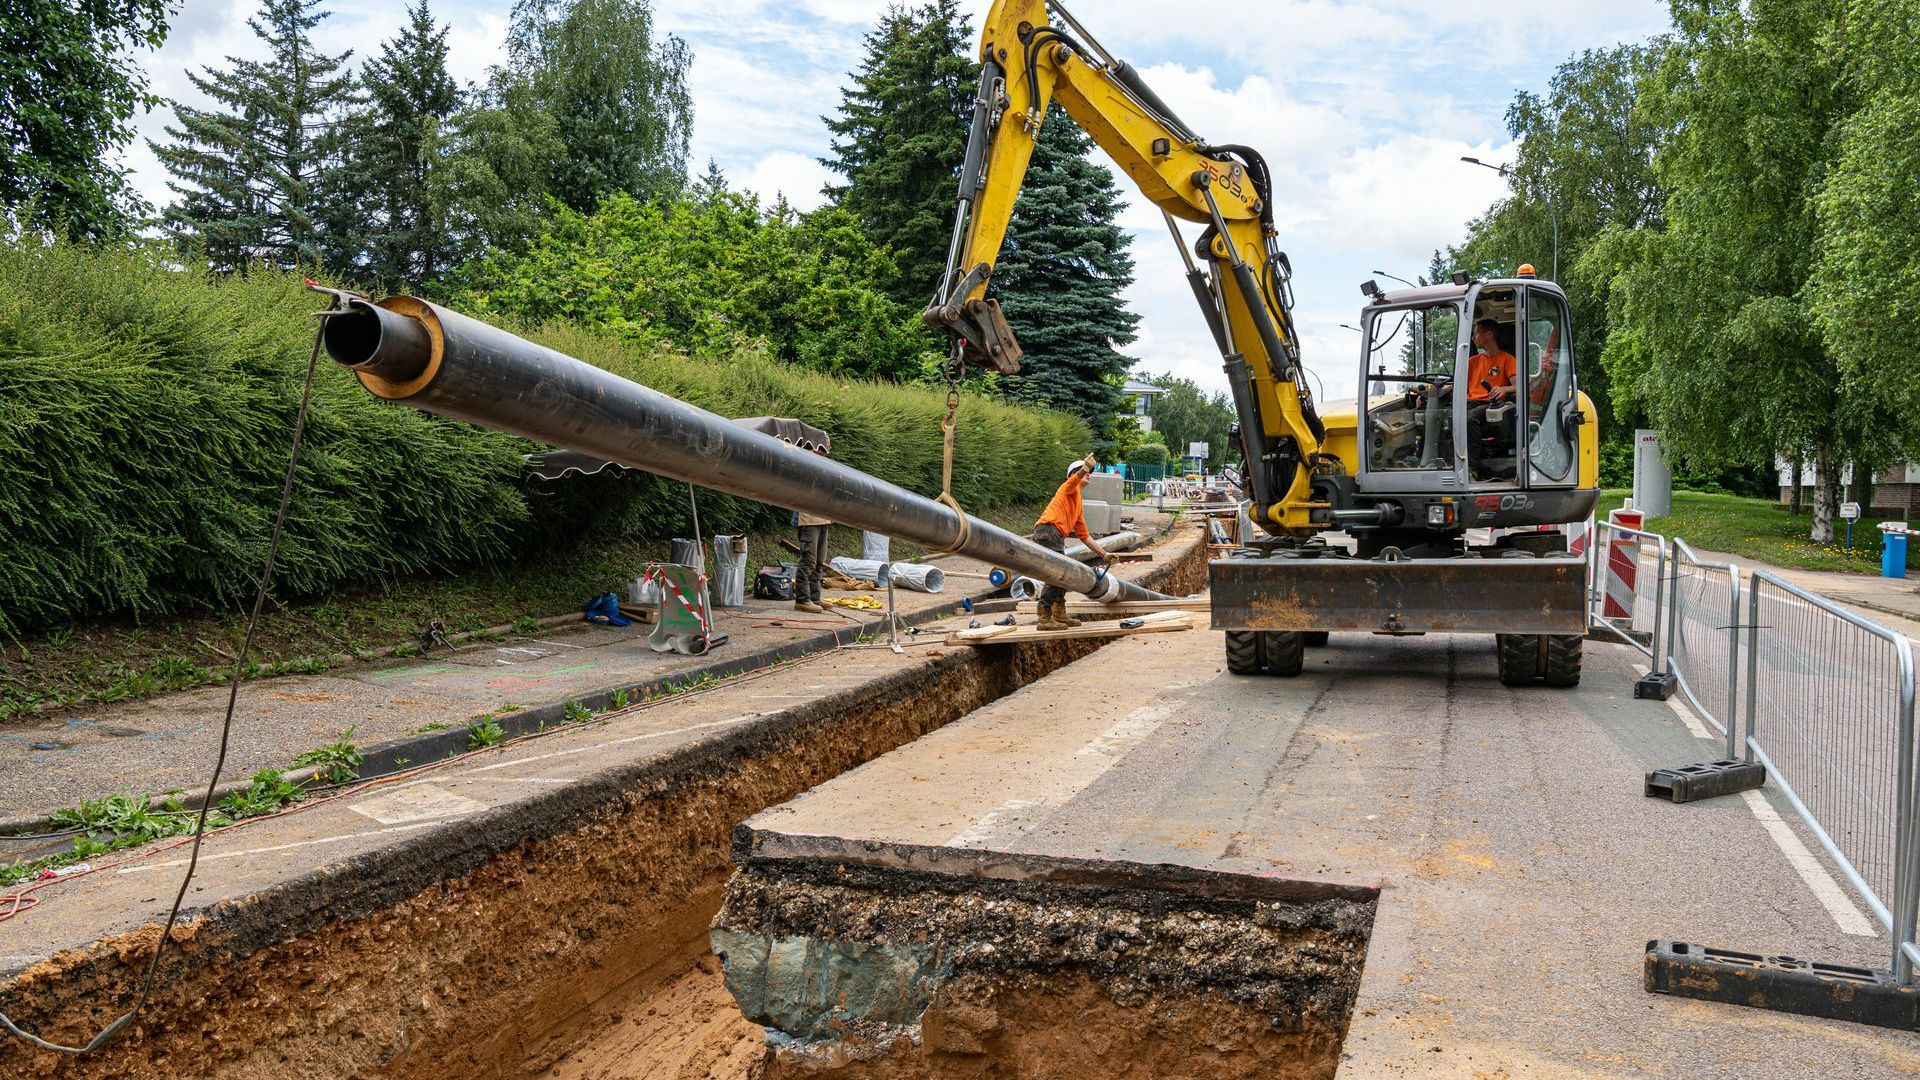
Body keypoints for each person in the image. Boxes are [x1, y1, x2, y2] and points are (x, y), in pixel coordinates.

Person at [1030, 455, 1110, 631]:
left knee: (1063, 574)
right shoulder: (1067, 489)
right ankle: (1044, 617)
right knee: (1056, 574)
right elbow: (1073, 481)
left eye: (1089, 472)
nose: (1088, 474)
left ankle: (1058, 613)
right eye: (1085, 472)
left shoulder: (1078, 503)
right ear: (1073, 476)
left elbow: (1085, 536)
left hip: (1054, 534)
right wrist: (1084, 468)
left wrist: (1104, 554)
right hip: (1049, 530)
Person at [1465, 318, 1518, 478]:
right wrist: (1430, 392)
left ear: (1488, 335)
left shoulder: (1507, 360)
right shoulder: (1472, 362)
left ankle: (1470, 469)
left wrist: (1503, 388)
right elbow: (1455, 384)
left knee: (1469, 419)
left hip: (1489, 405)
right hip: (1469, 403)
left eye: (1475, 333)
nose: (1473, 338)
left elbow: (1519, 386)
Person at [792, 443, 832, 614]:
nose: (822, 453)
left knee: (818, 562)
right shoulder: (804, 466)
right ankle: (802, 600)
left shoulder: (824, 467)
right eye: (819, 449)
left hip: (823, 519)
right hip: (808, 520)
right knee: (808, 560)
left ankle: (815, 597)